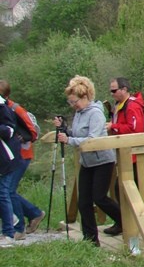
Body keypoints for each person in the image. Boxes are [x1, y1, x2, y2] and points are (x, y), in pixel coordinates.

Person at [56, 76, 120, 245]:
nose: (73, 106)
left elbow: (91, 139)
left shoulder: (96, 114)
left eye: (74, 102)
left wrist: (68, 140)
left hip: (103, 160)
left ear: (85, 97)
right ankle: (91, 240)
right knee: (84, 201)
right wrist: (65, 130)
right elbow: (78, 133)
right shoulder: (79, 113)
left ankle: (123, 220)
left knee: (99, 197)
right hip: (87, 161)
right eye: (70, 103)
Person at [0, 80, 45, 239]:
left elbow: (33, 132)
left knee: (8, 191)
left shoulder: (14, 108)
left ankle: (18, 229)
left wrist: (18, 138)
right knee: (7, 191)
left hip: (20, 154)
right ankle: (34, 213)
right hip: (10, 154)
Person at [0, 95, 22, 246]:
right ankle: (11, 216)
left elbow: (9, 131)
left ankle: (8, 234)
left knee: (3, 193)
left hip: (5, 158)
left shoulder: (2, 108)